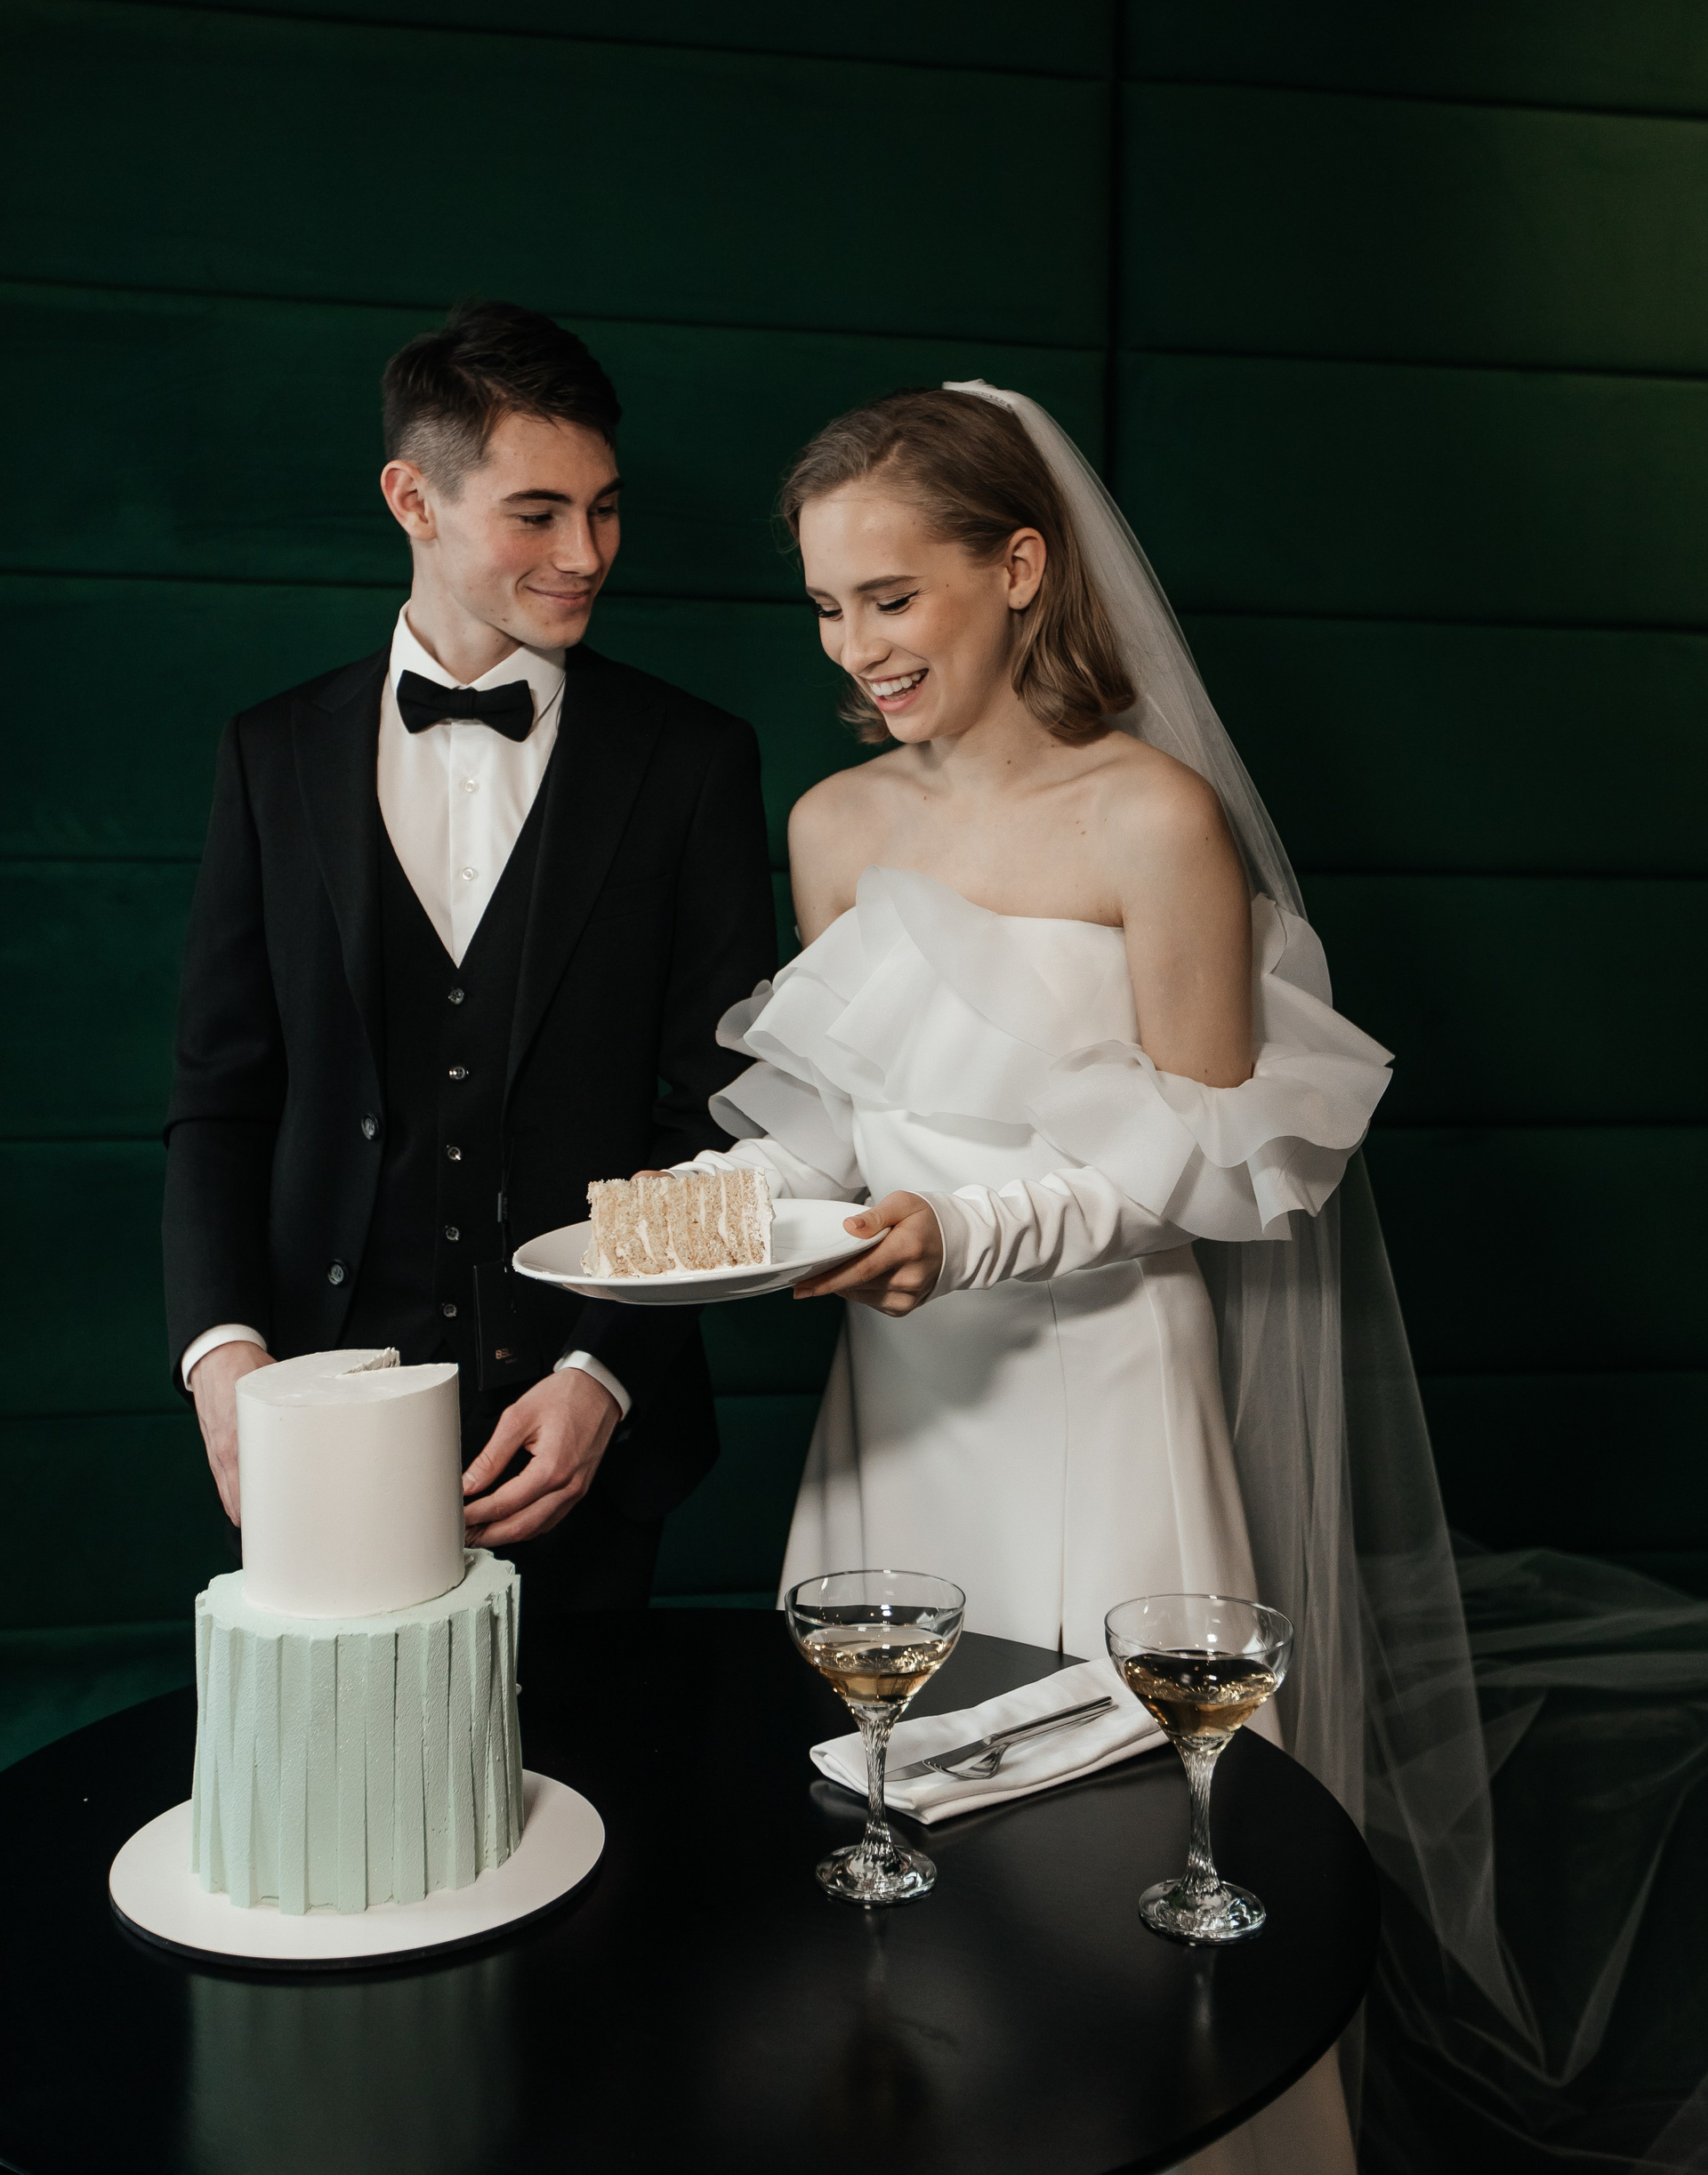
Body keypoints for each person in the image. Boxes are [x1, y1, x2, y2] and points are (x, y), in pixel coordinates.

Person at [672, 380, 1410, 2170]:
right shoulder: (834, 824)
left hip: (1100, 1397)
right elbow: (836, 1128)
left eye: (892, 596)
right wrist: (684, 1220)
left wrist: (976, 1232)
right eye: (829, 607)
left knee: (1132, 1878)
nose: (858, 646)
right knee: (884, 1865)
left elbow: (1211, 1164)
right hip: (901, 1413)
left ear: (1017, 567)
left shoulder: (1153, 819)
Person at [164, 299, 775, 1615]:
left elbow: (718, 1115)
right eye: (537, 513)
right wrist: (221, 1358)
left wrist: (603, 1372)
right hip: (313, 1417)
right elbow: (221, 1095)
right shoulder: (270, 753)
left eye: (604, 509)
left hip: (589, 1437)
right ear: (413, 500)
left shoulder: (694, 760)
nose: (585, 554)